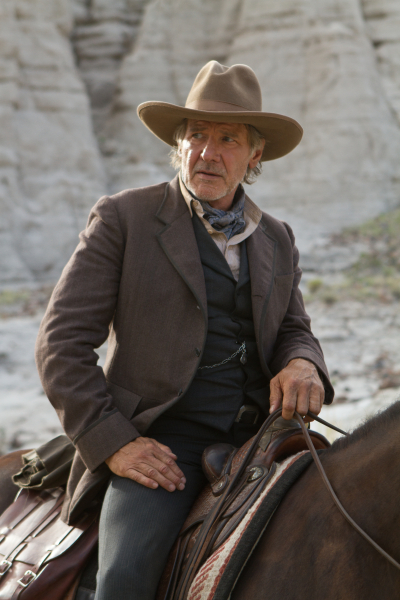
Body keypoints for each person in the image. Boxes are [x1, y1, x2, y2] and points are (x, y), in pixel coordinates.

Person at [35, 61, 334, 599]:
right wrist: (116, 443)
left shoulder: (276, 238)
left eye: (228, 139)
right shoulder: (125, 217)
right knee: (124, 578)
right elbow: (60, 344)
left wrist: (303, 362)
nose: (207, 152)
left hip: (264, 438)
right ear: (180, 144)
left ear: (255, 154)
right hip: (162, 442)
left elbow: (294, 327)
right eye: (196, 135)